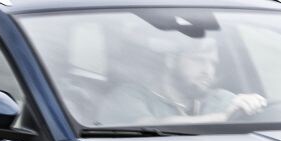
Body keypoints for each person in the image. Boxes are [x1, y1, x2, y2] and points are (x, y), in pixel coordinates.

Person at [97, 33, 267, 125]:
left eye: (213, 63)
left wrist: (252, 103)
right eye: (199, 60)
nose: (208, 70)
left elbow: (239, 109)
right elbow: (149, 126)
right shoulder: (128, 97)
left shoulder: (219, 98)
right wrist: (223, 118)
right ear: (171, 60)